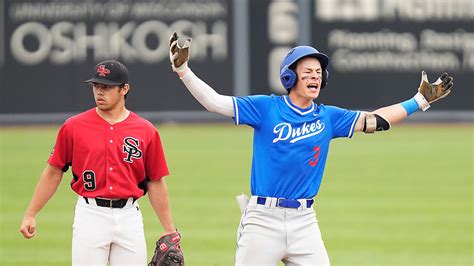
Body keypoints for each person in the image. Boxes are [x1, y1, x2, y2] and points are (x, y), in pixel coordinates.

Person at [168, 32, 453, 265]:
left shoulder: (328, 116)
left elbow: (377, 119)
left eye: (318, 72)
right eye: (307, 72)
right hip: (262, 221)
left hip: (304, 221)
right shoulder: (267, 108)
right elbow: (215, 102)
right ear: (290, 78)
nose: (315, 77)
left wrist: (420, 100)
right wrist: (183, 71)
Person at [19, 60, 178, 265]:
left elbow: (155, 181)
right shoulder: (74, 126)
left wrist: (169, 229)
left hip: (129, 216)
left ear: (124, 89)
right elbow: (54, 171)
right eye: (96, 86)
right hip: (90, 215)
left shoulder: (146, 130)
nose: (99, 92)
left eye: (107, 87)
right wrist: (31, 213)